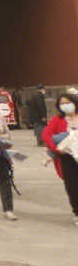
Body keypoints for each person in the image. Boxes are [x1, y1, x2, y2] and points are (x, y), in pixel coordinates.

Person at [41, 92, 78, 225]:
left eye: (67, 102)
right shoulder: (58, 119)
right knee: (72, 184)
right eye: (62, 104)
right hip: (67, 157)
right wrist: (55, 149)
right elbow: (46, 134)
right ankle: (77, 211)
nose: (65, 105)